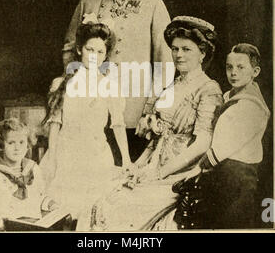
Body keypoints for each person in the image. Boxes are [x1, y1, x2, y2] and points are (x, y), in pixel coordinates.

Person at [78, 16, 223, 231]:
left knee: (117, 207)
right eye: (175, 49)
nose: (178, 55)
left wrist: (160, 172)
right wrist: (138, 165)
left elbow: (203, 143)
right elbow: (159, 139)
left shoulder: (208, 89)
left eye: (186, 49)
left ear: (202, 53)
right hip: (153, 164)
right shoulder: (173, 84)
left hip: (180, 172)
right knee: (98, 196)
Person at [64, 0, 172, 164]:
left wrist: (151, 108)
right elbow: (69, 48)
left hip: (135, 109)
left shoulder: (153, 5)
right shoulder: (88, 2)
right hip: (92, 107)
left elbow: (164, 63)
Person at [39, 21, 131, 224]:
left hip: (96, 155)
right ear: (80, 49)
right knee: (61, 211)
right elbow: (55, 124)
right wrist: (53, 158)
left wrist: (126, 159)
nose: (93, 56)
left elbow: (118, 125)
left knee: (91, 213)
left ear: (105, 55)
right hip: (65, 154)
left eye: (100, 52)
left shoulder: (109, 86)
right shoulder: (62, 83)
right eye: (89, 49)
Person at [183, 43, 270, 229]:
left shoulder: (251, 105)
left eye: (240, 67)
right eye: (229, 67)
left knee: (233, 223)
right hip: (223, 172)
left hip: (239, 175)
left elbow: (225, 146)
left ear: (255, 71)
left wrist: (198, 168)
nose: (233, 73)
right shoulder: (230, 96)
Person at [0, 118, 58, 220]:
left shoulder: (33, 169)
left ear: (27, 145)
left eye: (21, 142)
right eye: (11, 143)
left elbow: (39, 197)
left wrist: (51, 204)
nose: (17, 147)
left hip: (33, 227)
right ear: (2, 146)